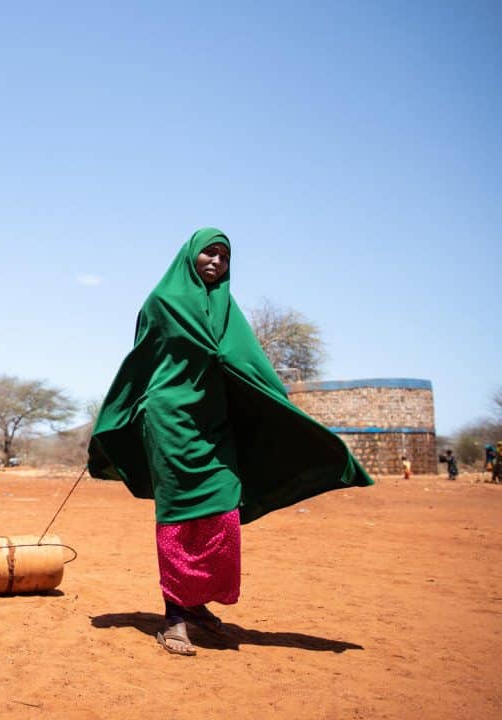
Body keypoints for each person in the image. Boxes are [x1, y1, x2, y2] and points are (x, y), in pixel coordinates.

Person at [88, 227, 373, 656]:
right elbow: (141, 361)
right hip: (170, 422)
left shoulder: (227, 309)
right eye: (209, 254)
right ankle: (175, 618)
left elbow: (248, 362)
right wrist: (122, 411)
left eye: (223, 257)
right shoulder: (161, 302)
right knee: (180, 518)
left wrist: (286, 412)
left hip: (214, 424)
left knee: (222, 513)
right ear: (190, 257)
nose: (216, 263)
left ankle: (196, 603)